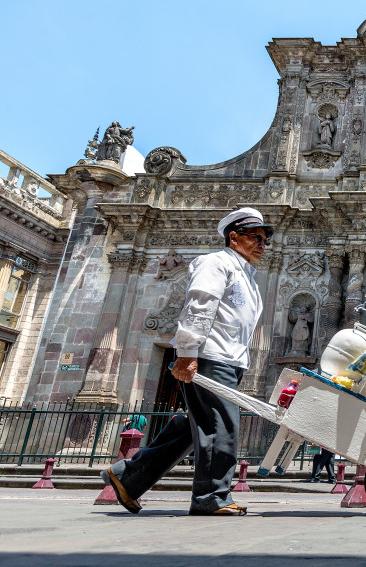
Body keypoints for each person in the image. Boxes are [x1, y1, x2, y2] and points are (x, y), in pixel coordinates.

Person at [100, 207, 273, 516]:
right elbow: (199, 304)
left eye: (265, 239)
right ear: (234, 237)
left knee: (193, 426)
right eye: (256, 237)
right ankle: (211, 498)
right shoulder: (216, 263)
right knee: (221, 428)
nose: (263, 244)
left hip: (230, 361)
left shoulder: (248, 276)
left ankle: (128, 475)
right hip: (211, 357)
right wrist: (188, 352)